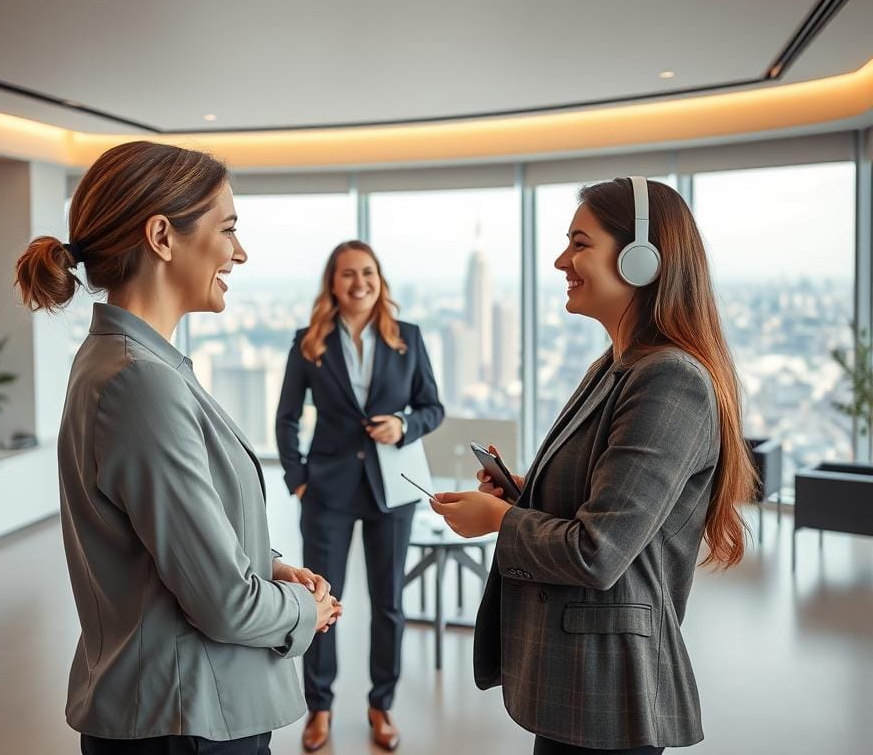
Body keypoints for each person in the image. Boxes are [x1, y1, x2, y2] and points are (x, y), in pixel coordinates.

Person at [14, 141, 342, 755]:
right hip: (187, 720)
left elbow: (171, 531)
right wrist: (306, 609)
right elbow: (224, 606)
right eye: (228, 230)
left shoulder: (132, 364)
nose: (240, 252)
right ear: (163, 236)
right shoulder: (140, 381)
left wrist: (265, 565)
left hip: (180, 711)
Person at [430, 177, 755, 754]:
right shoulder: (616, 366)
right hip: (577, 682)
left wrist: (499, 521)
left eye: (580, 243)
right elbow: (613, 501)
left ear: (639, 259)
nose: (562, 260)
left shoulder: (669, 379)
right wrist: (525, 493)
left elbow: (597, 550)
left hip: (610, 692)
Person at [275, 240, 444, 752]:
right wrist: (297, 478)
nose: (359, 283)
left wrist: (404, 424)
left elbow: (432, 407)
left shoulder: (407, 339)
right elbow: (286, 417)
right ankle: (319, 707)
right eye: (348, 274)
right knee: (320, 599)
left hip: (391, 492)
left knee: (389, 603)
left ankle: (380, 705)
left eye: (367, 273)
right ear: (333, 282)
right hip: (325, 491)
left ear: (380, 279)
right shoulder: (309, 342)